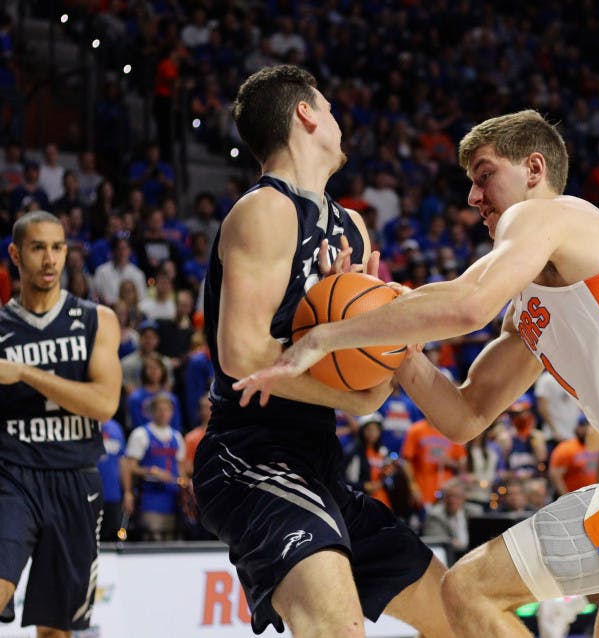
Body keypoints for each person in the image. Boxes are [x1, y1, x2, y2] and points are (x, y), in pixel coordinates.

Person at [237, 109, 599, 637]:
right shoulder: (532, 298)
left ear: (534, 168)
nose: (473, 197)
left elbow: (467, 306)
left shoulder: (551, 214)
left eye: (485, 175)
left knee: (468, 589)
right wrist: (380, 333)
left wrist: (333, 333)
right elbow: (465, 415)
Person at [190, 66, 453, 638]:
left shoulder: (351, 228)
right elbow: (240, 355)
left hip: (320, 460)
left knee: (462, 615)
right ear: (307, 113)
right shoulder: (266, 209)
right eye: (330, 108)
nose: (338, 120)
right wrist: (355, 397)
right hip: (250, 455)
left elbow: (360, 371)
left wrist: (386, 338)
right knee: (338, 628)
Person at [0, 211, 122, 637]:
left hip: (75, 480)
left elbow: (104, 404)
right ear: (16, 254)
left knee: (55, 631)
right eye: (37, 248)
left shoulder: (97, 320)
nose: (49, 259)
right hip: (11, 477)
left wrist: (25, 373)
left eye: (57, 247)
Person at [122, 392, 185, 541]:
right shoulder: (141, 434)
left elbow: (181, 468)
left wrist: (185, 484)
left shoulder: (176, 437)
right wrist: (151, 471)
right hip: (150, 497)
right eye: (159, 409)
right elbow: (128, 466)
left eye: (167, 409)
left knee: (171, 537)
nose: (163, 413)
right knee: (152, 535)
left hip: (172, 497)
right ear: (152, 412)